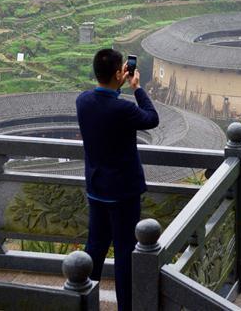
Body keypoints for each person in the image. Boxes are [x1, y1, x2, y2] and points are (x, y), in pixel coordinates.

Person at [76, 48, 159, 311]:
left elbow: (104, 103)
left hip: (96, 187)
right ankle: (126, 307)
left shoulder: (83, 101)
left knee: (95, 247)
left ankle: (83, 300)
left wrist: (117, 86)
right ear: (118, 74)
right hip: (123, 192)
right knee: (125, 252)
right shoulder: (123, 109)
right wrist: (136, 88)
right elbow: (151, 118)